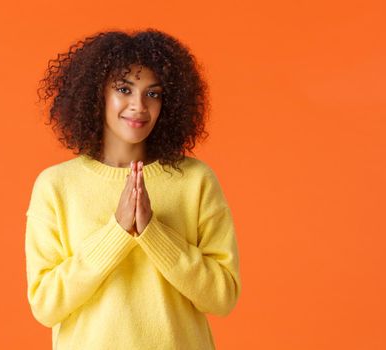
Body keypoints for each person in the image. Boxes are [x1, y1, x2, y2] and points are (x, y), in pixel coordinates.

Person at [24, 28, 241, 349]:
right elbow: (45, 305)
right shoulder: (56, 186)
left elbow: (223, 298)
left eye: (153, 93)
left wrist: (153, 231)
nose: (139, 105)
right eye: (124, 89)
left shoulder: (195, 180)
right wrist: (117, 231)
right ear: (96, 94)